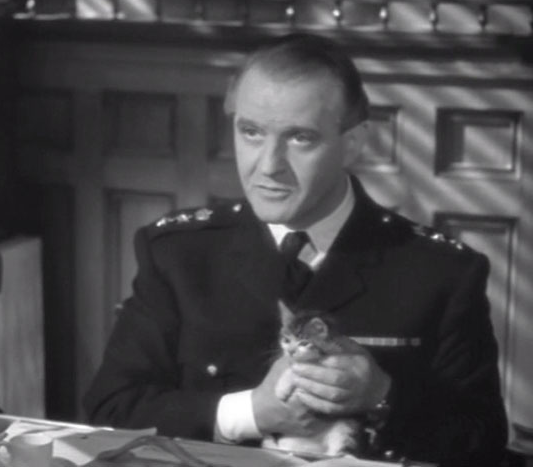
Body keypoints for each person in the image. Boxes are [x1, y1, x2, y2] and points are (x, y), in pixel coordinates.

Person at [83, 35, 507, 466]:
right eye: (250, 132)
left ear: (354, 142)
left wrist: (383, 396)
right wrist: (251, 412)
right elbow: (112, 410)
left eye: (300, 138)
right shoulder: (179, 254)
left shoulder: (439, 271)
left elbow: (484, 442)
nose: (268, 165)